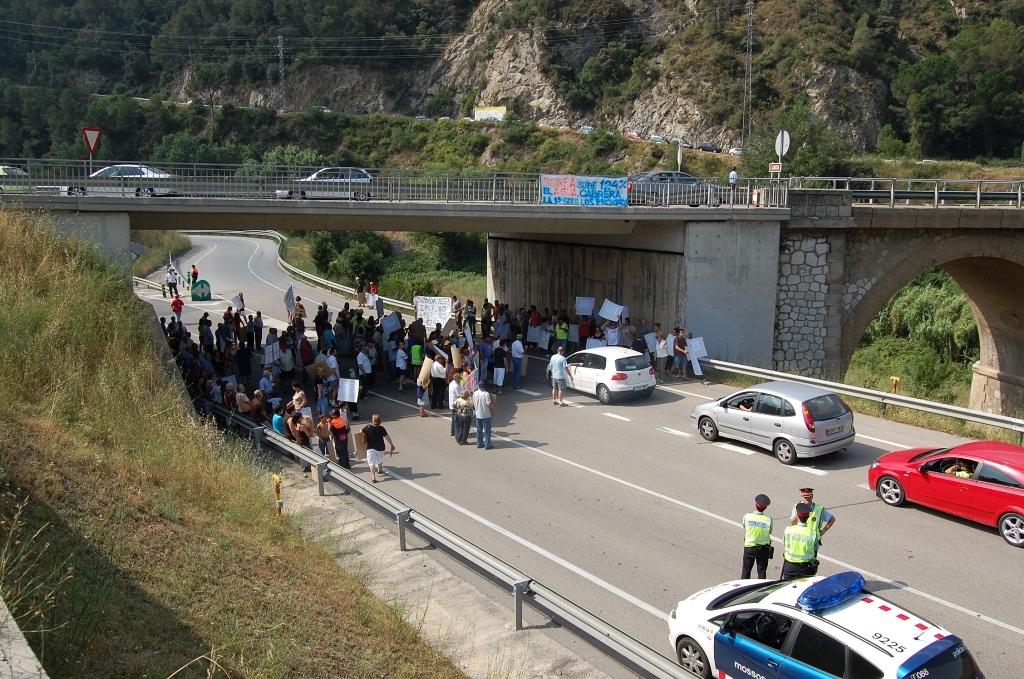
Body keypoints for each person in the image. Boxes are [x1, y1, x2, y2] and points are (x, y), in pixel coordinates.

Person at [781, 503, 818, 579]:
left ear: (797, 516)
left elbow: (785, 544)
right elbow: (815, 548)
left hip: (790, 566)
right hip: (805, 568)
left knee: (787, 588)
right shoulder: (813, 533)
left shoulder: (789, 530)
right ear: (808, 517)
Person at [741, 494, 773, 579]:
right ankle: (761, 591)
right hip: (763, 549)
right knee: (762, 572)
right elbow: (770, 531)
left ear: (756, 505)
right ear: (765, 507)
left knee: (746, 570)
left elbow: (745, 527)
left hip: (749, 547)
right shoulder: (768, 520)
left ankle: (743, 590)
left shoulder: (747, 517)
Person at [361, 414, 395, 483]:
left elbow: (361, 431)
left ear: (372, 420)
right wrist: (391, 444)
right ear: (380, 421)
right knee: (379, 460)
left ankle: (373, 477)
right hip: (380, 447)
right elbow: (387, 437)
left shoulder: (368, 427)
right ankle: (379, 468)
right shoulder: (381, 428)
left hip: (370, 447)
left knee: (371, 463)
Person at [473, 380, 495, 449]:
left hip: (478, 413)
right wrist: (495, 408)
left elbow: (473, 403)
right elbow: (489, 404)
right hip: (486, 414)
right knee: (487, 430)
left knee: (479, 430)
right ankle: (487, 444)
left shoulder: (475, 393)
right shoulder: (486, 394)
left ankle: (479, 443)